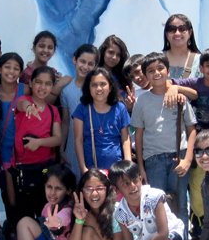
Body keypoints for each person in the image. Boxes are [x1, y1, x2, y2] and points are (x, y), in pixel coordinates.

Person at [131, 52, 197, 235]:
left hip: (179, 156)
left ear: (168, 71)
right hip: (153, 160)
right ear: (146, 75)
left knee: (181, 203)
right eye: (151, 70)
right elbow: (138, 136)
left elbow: (191, 130)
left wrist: (188, 159)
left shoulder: (179, 97)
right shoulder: (141, 101)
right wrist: (141, 167)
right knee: (158, 205)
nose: (156, 73)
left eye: (160, 68)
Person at [174, 47, 209, 240]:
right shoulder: (194, 82)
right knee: (195, 186)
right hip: (194, 144)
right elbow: (169, 83)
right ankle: (199, 226)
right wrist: (188, 92)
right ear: (202, 68)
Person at [11, 66, 62, 223]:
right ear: (31, 83)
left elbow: (58, 139)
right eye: (38, 82)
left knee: (44, 208)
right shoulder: (23, 100)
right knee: (24, 212)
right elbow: (21, 105)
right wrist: (29, 107)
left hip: (45, 168)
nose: (42, 87)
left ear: (52, 87)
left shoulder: (53, 110)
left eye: (48, 84)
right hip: (23, 168)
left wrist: (39, 143)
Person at [0, 52, 29, 240]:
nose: (11, 71)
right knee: (5, 193)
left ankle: (18, 229)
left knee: (19, 193)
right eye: (7, 66)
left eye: (16, 68)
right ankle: (10, 228)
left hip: (20, 151)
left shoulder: (25, 89)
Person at [73, 67, 131, 173]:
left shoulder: (120, 108)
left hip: (117, 171)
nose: (99, 88)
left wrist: (128, 165)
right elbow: (78, 140)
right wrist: (83, 168)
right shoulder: (82, 109)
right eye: (94, 85)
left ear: (110, 87)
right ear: (88, 88)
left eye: (103, 84)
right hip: (92, 170)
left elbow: (125, 139)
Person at [60, 44, 99, 177]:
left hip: (95, 146)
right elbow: (65, 122)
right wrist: (61, 149)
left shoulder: (98, 90)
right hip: (73, 147)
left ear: (95, 66)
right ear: (74, 60)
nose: (85, 67)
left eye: (90, 64)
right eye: (82, 61)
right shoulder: (66, 90)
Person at [20, 30, 70, 103]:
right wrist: (58, 86)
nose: (46, 50)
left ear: (54, 51)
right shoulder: (26, 74)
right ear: (34, 48)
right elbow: (37, 102)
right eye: (41, 46)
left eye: (50, 47)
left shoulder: (54, 73)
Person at [162, 13, 201, 79]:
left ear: (190, 33)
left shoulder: (200, 61)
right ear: (166, 34)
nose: (177, 33)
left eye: (182, 29)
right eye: (172, 29)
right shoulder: (157, 61)